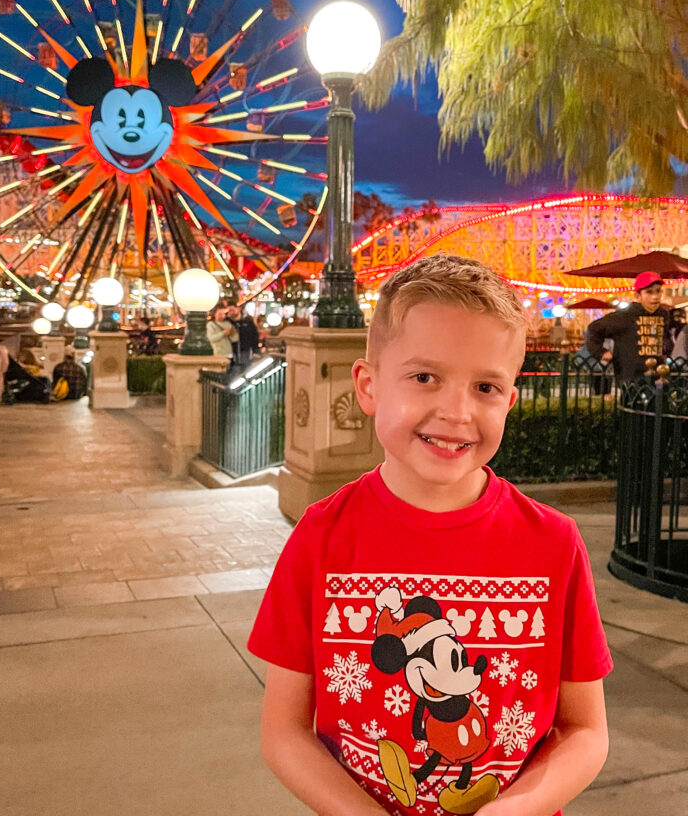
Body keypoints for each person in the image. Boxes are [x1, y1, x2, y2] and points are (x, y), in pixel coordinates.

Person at [248, 254, 611, 816]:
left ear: (510, 400)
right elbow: (284, 731)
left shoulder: (553, 543)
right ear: (368, 387)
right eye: (424, 377)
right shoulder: (322, 538)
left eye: (486, 387)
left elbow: (585, 730)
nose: (457, 411)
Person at [585, 271, 671, 383]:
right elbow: (594, 329)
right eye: (649, 292)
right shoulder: (624, 316)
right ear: (638, 296)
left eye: (658, 291)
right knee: (633, 400)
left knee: (659, 399)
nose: (655, 297)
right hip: (631, 376)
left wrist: (665, 352)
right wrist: (600, 352)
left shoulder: (663, 314)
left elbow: (664, 337)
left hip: (658, 374)